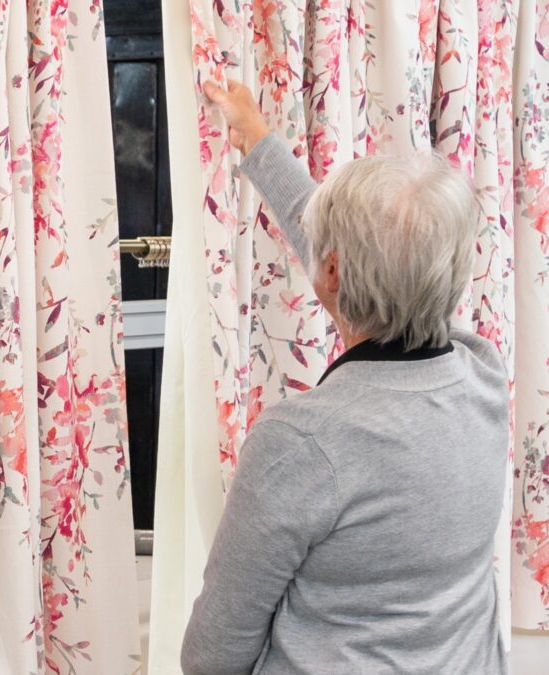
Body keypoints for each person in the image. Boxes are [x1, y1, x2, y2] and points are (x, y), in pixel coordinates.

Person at [180, 81, 509, 674]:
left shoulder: (301, 443)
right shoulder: (481, 374)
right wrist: (256, 137)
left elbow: (211, 657)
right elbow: (389, 257)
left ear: (331, 271)